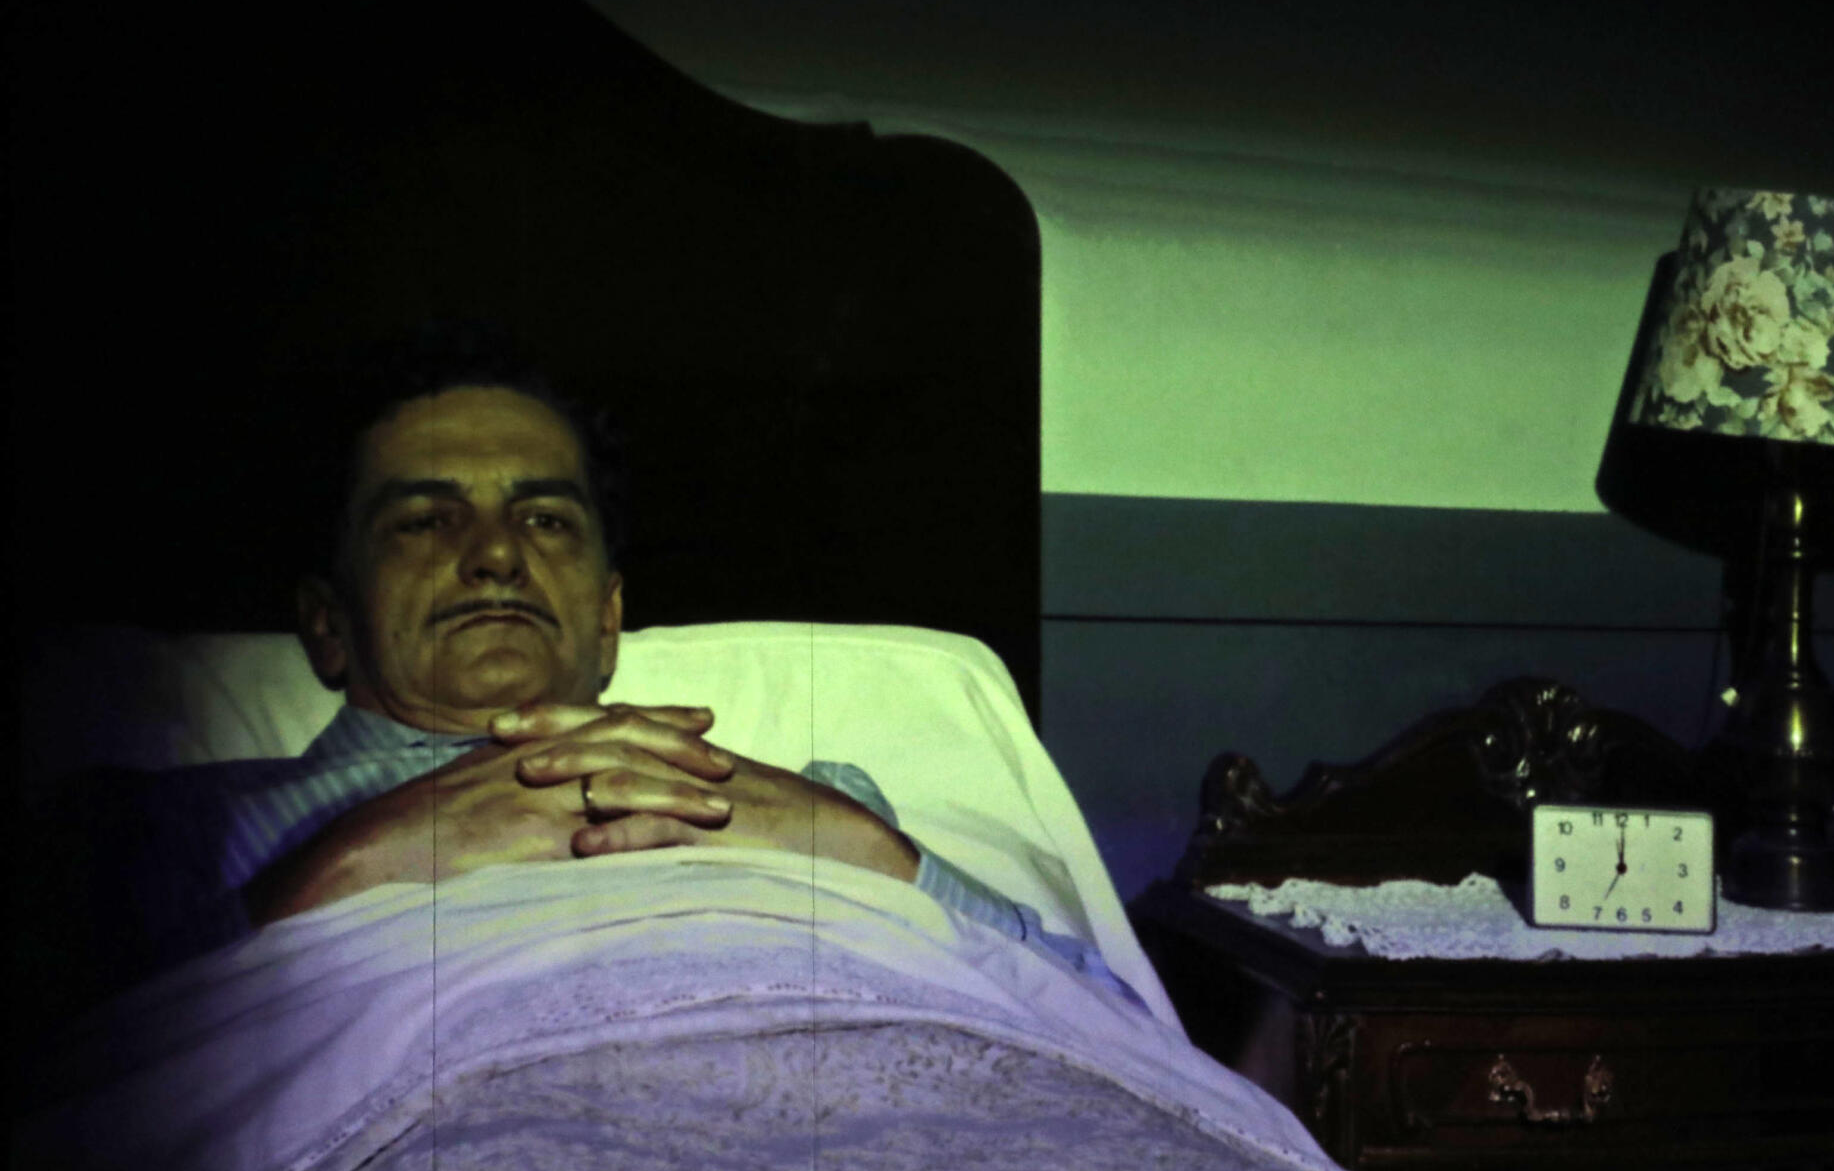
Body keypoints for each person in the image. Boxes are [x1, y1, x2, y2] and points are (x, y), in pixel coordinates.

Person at [46, 334, 1141, 1017]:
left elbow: (1117, 1028)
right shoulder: (172, 830)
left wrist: (863, 848)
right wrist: (357, 862)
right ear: (326, 626)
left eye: (545, 518)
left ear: (608, 619)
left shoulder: (809, 804)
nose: (494, 554)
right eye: (424, 519)